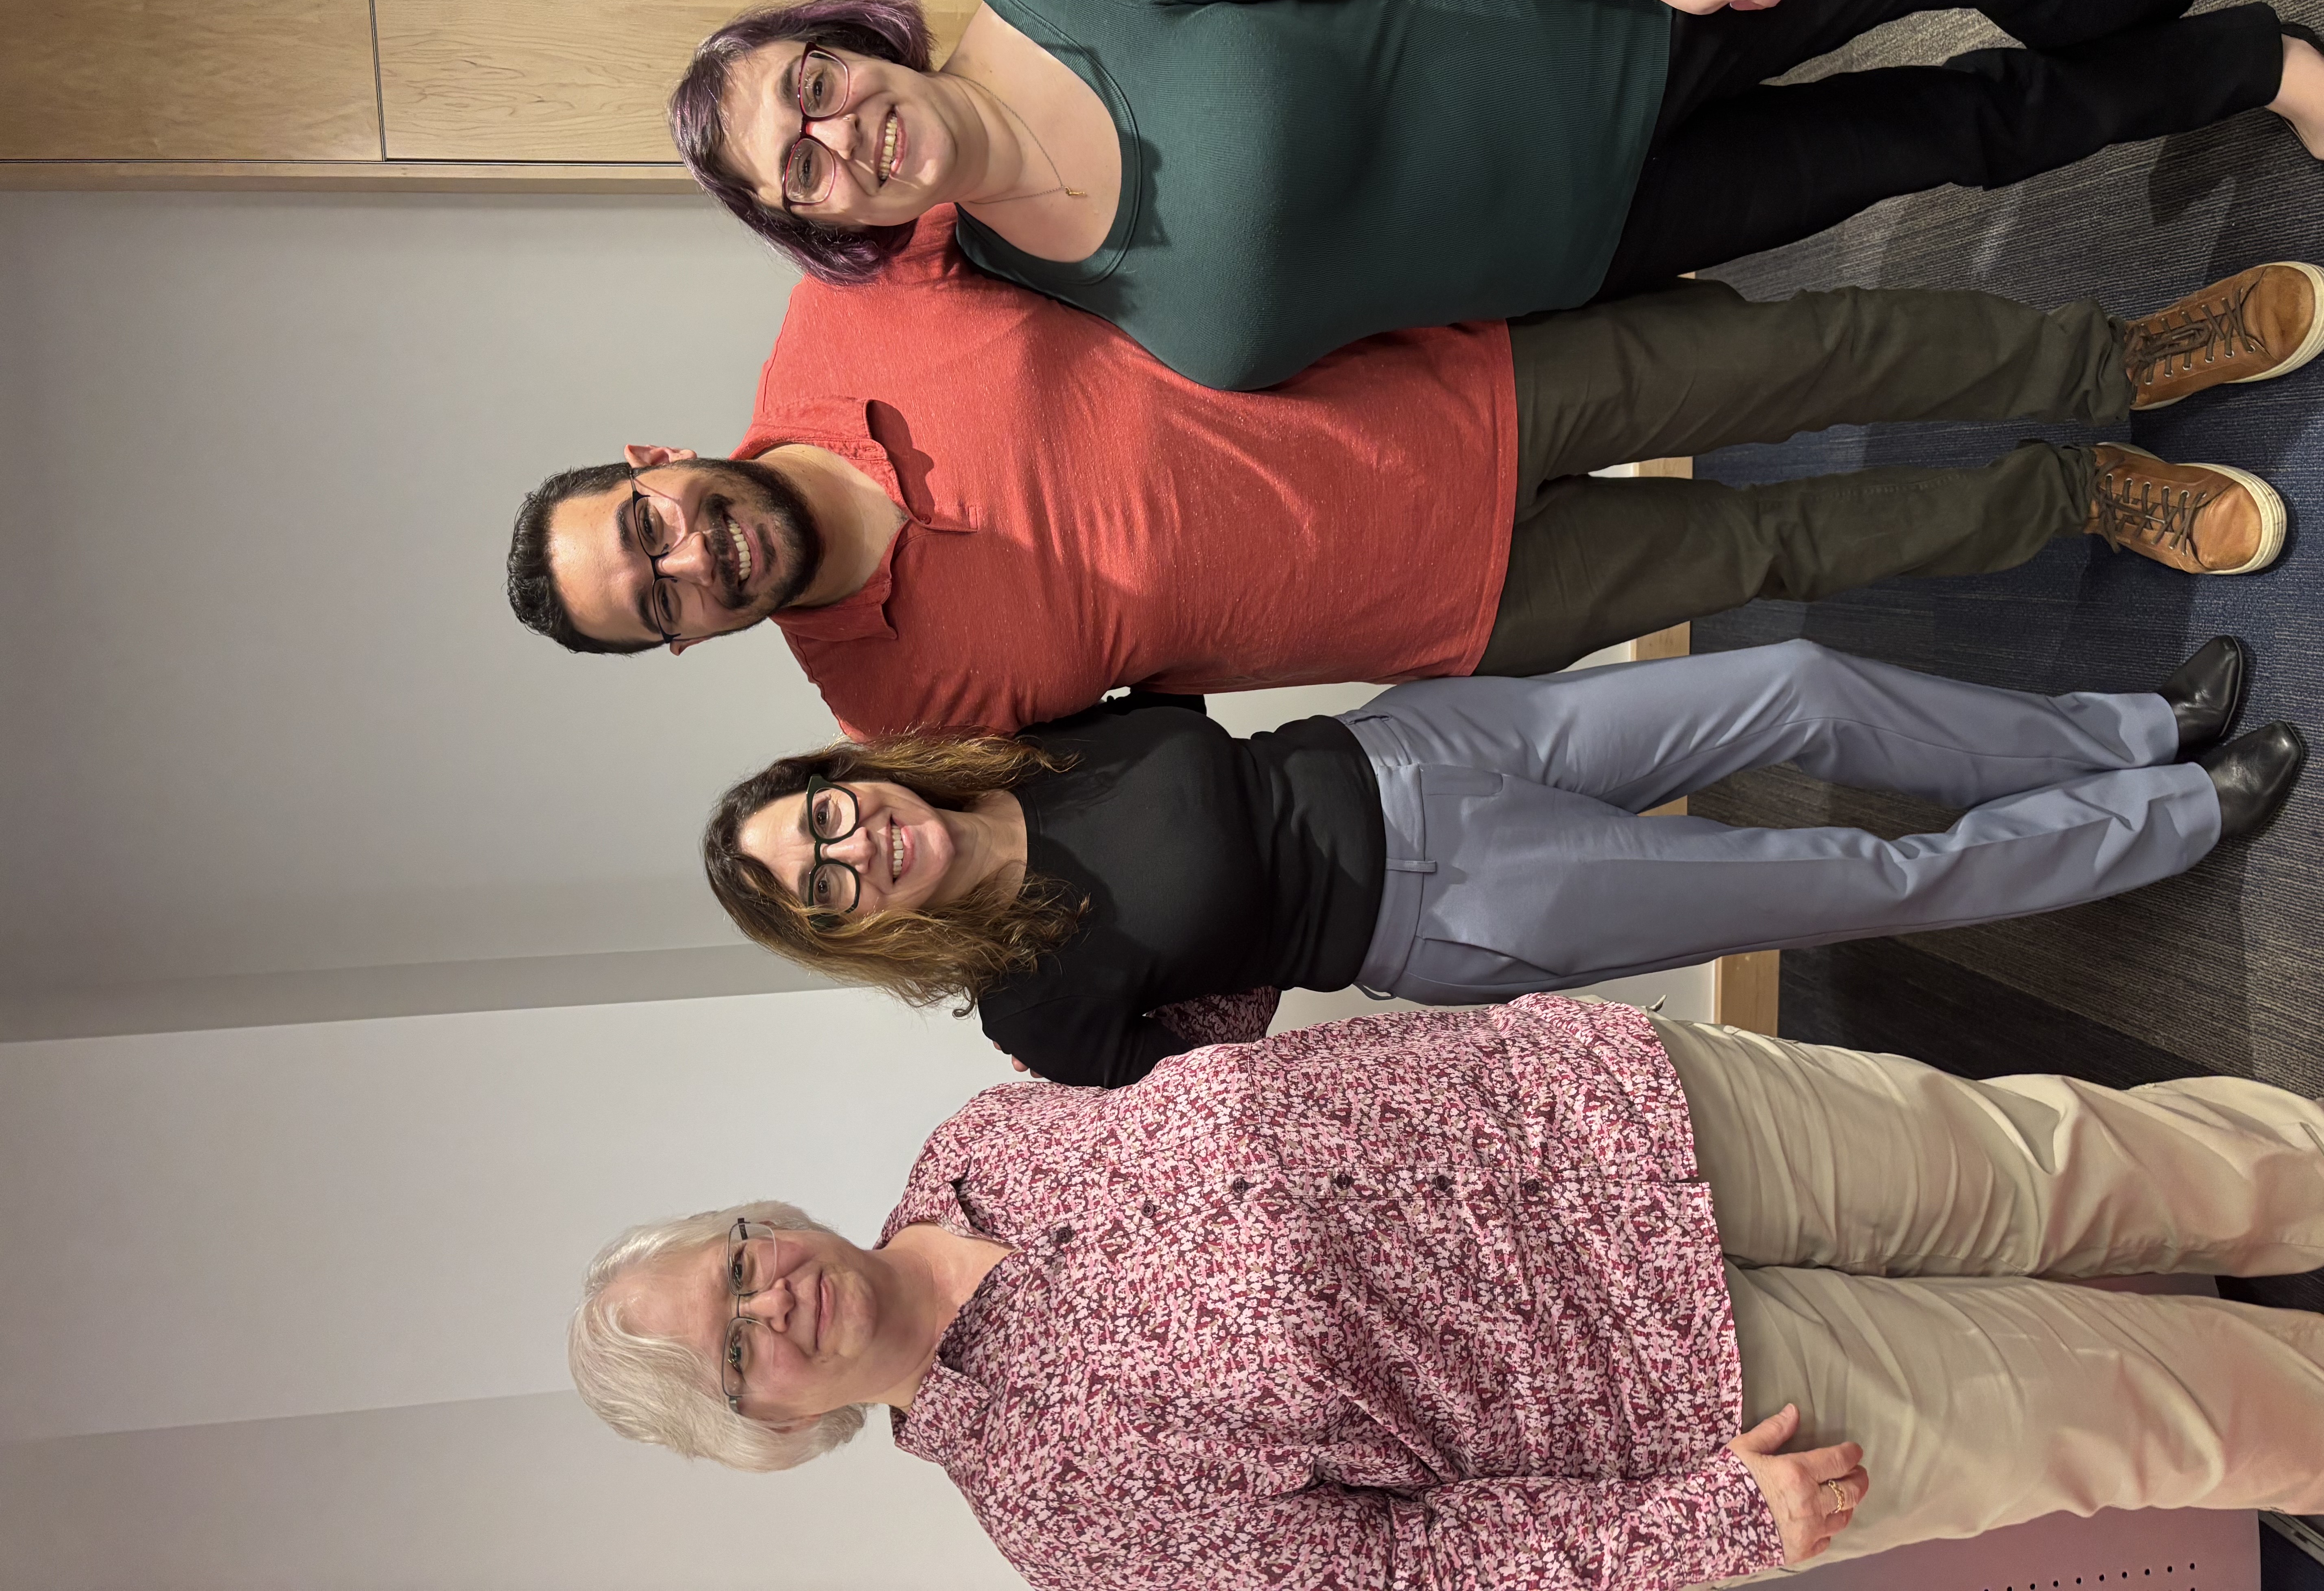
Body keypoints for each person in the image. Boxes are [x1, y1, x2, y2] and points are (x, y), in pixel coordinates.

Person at [567, 994, 2324, 1589]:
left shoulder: (987, 1135)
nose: (763, 1306)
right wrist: (1693, 1531)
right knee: (2130, 1410)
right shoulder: (1053, 1514)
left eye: (729, 1267)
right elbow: (1400, 1570)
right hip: (1683, 1393)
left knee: (2065, 1159)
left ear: (758, 1223)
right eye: (729, 1358)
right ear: (768, 1431)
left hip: (1632, 1111)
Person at [505, 212, 2314, 736]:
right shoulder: (896, 708)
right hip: (1447, 608)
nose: (686, 561)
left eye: (642, 526)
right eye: (653, 598)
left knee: (1807, 356)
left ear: (659, 462)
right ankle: (2079, 501)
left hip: (1452, 392)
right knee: (1775, 542)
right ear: (681, 646)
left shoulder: (845, 322)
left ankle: (2123, 361)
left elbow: (1024, 144)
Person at [666, 0, 2324, 389]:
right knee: (1953, 136)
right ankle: (2256, 66)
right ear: (834, 230)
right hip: (1601, 241)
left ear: (853, 39)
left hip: (1602, 20)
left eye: (814, 83)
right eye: (798, 169)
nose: (838, 132)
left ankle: (2164, 40)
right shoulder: (1029, 307)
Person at [698, 636, 2302, 1086]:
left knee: (1795, 685)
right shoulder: (1033, 1013)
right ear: (856, 932)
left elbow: (1194, 713)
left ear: (850, 777)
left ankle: (2127, 726)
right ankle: (2180, 817)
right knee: (1849, 880)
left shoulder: (1028, 734)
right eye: (826, 884)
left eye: (823, 816)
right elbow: (1225, 1052)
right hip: (1446, 902)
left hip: (1429, 744)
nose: (856, 849)